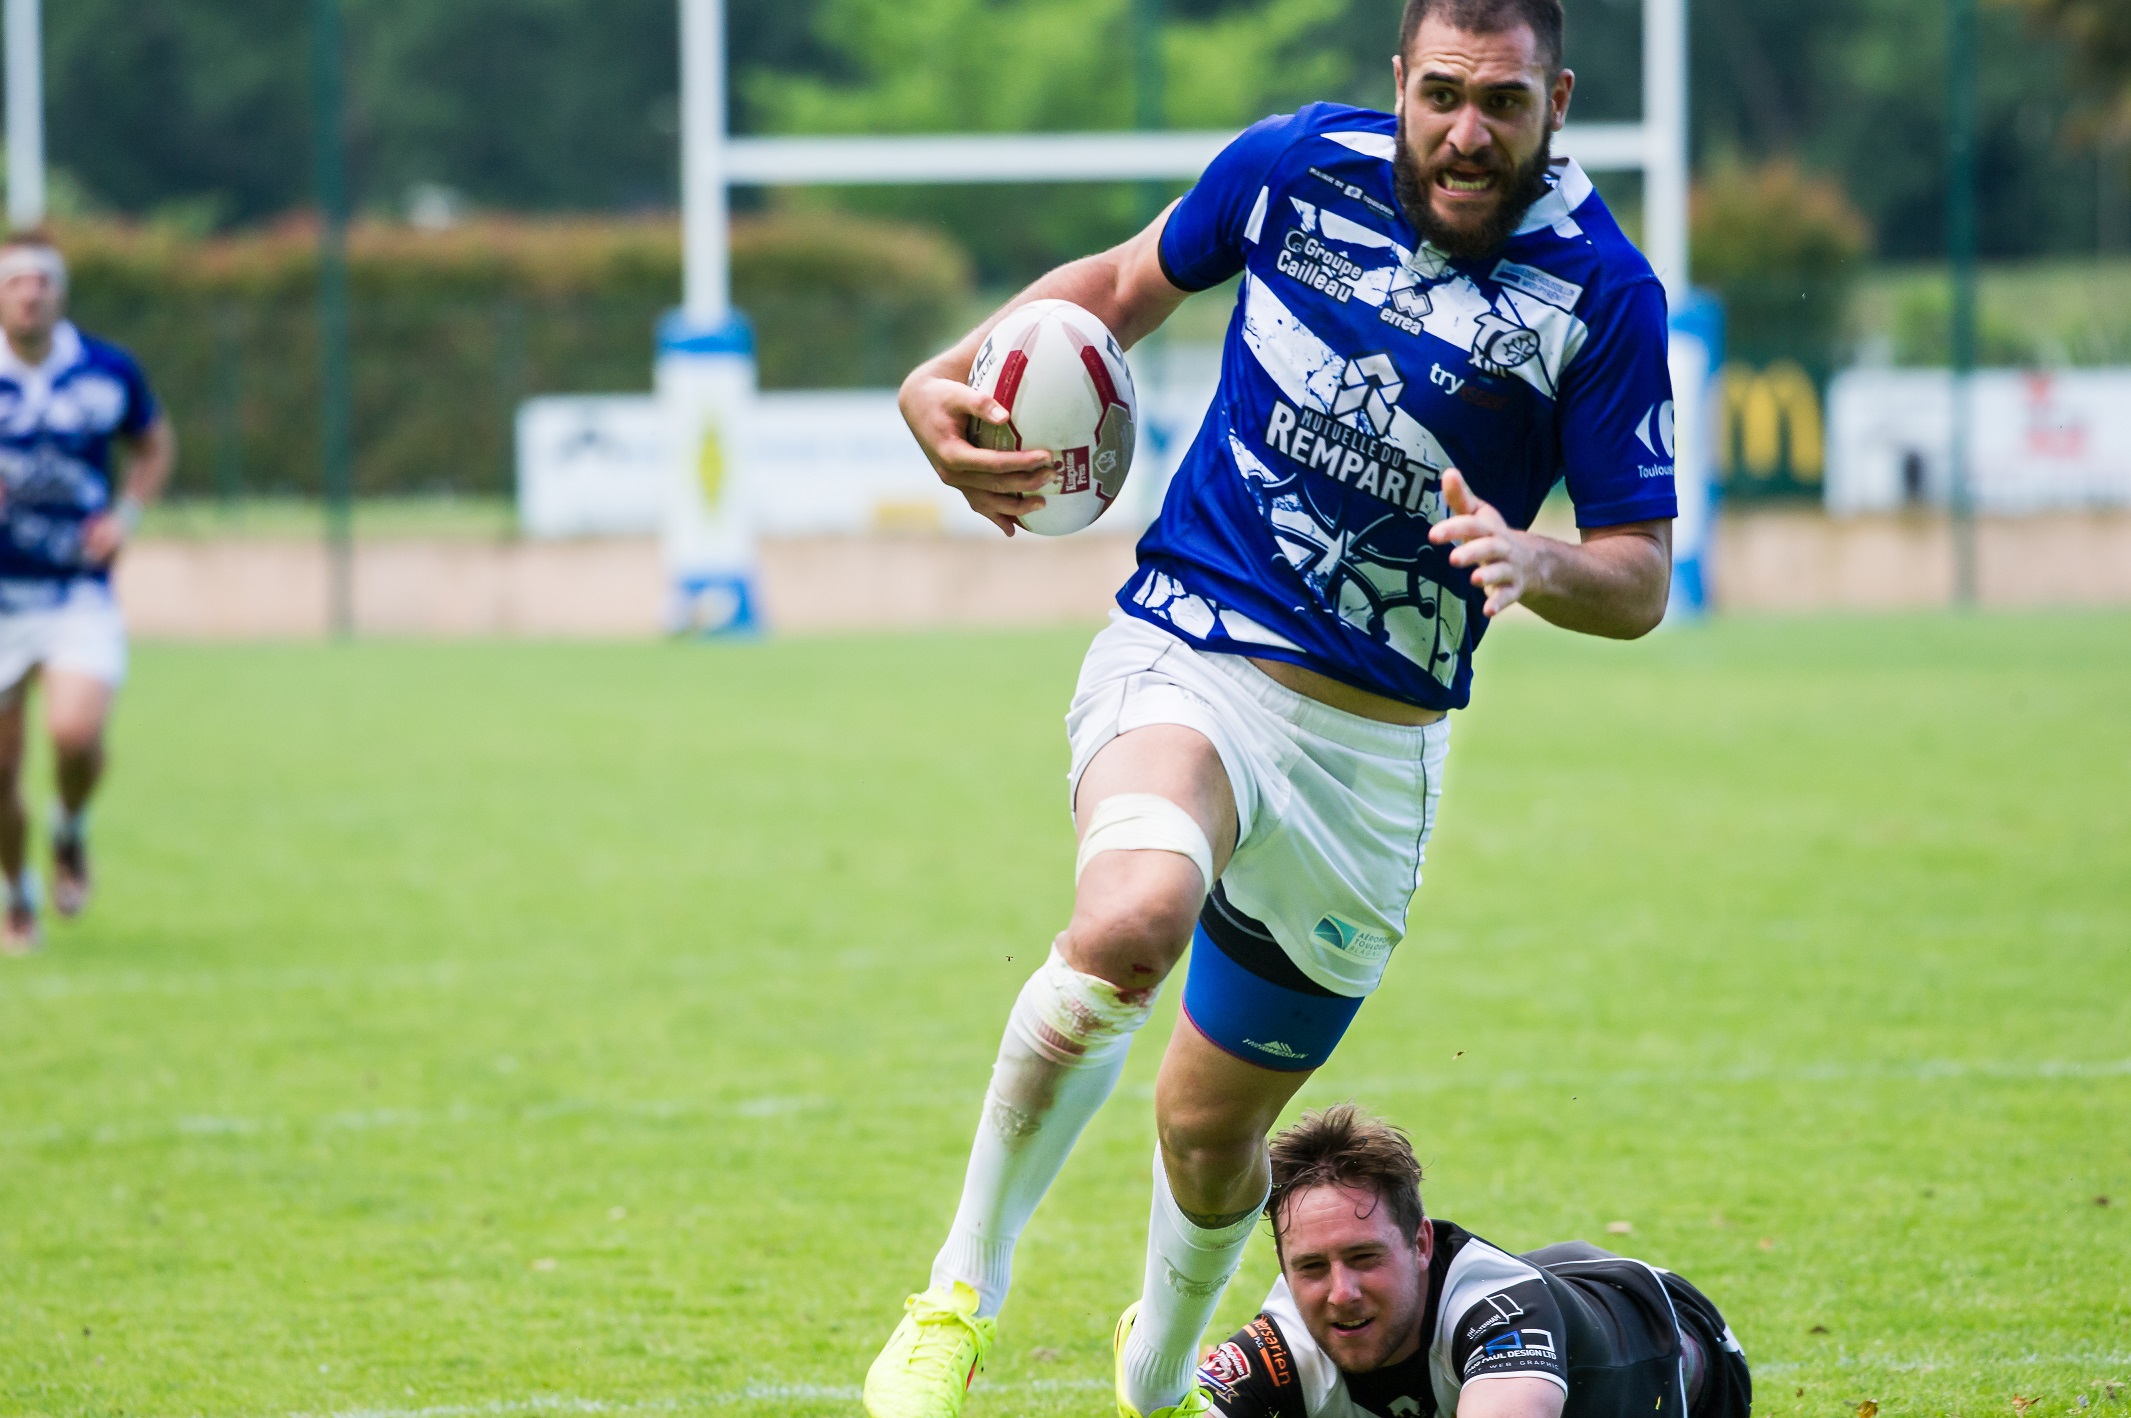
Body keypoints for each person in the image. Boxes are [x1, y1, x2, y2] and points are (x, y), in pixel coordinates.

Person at [864, 0, 1679, 1413]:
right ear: (1398, 82)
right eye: (1440, 94)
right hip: (1192, 644)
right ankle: (956, 1298)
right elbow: (1118, 284)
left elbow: (1639, 574)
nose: (1465, 132)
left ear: (1555, 101)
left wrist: (1538, 559)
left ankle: (1159, 1370)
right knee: (1130, 920)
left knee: (1204, 1132)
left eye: (1500, 102)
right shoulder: (1294, 166)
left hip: (1372, 755)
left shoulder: (1602, 294)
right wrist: (944, 376)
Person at [1196, 1105, 1751, 1418]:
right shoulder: (1287, 1339)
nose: (1341, 1293)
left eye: (1364, 1257)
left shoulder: (1504, 1316)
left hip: (1665, 1332)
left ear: (1421, 1243)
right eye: (1312, 1267)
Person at [0, 234, 174, 954]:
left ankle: (70, 828)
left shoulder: (106, 370)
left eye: (42, 282)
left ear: (61, 294)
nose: (30, 294)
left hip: (76, 591)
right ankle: (18, 895)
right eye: (16, 282)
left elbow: (154, 443)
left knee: (74, 734)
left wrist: (126, 515)